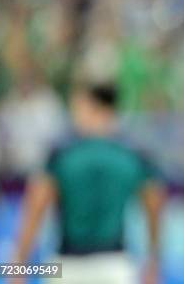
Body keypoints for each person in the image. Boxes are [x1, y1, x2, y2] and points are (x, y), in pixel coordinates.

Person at [13, 82, 165, 284]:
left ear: (92, 105)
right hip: (115, 264)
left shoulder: (63, 154)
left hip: (67, 264)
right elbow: (154, 208)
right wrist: (153, 260)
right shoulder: (133, 155)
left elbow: (34, 210)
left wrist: (18, 265)